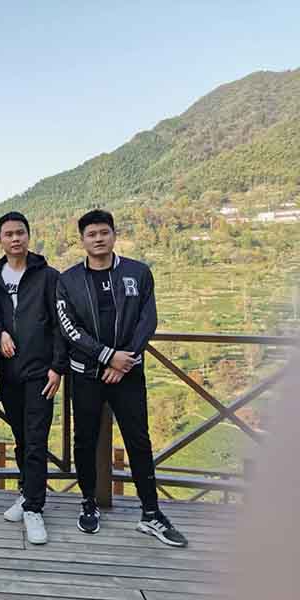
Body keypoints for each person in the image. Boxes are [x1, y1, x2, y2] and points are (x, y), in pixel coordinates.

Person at [56, 209, 187, 547]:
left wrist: (122, 361)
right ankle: (88, 502)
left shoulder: (138, 272)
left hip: (127, 374)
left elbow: (148, 320)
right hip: (86, 375)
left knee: (138, 440)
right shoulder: (68, 280)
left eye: (104, 232)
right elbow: (69, 327)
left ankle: (151, 512)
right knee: (84, 440)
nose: (98, 239)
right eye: (91, 234)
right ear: (82, 240)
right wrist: (106, 356)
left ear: (114, 235)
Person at [0, 211, 67, 544]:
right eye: (8, 234)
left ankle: (34, 507)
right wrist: (0, 334)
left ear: (29, 235)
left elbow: (61, 324)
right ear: (0, 240)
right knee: (21, 436)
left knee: (36, 439)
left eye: (20, 232)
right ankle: (26, 492)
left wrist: (57, 367)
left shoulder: (48, 276)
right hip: (8, 372)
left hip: (40, 372)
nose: (15, 238)